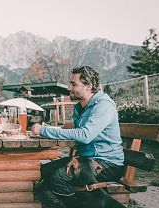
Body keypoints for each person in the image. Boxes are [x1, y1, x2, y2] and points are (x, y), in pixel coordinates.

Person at [32, 66, 124, 207]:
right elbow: (76, 133)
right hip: (86, 159)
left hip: (107, 163)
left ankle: (80, 204)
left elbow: (85, 135)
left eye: (73, 84)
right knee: (43, 171)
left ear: (89, 86)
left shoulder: (103, 106)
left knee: (59, 177)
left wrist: (44, 130)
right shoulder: (79, 108)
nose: (69, 87)